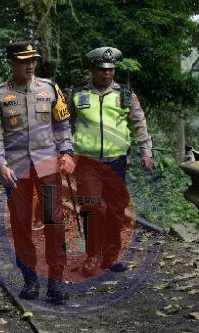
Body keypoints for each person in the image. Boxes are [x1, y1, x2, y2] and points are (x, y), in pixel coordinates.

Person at [0, 40, 75, 305]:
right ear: (11, 63)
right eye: (24, 61)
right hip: (15, 168)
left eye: (33, 60)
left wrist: (67, 152)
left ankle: (56, 281)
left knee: (54, 222)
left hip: (47, 165)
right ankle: (30, 279)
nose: (30, 65)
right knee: (21, 225)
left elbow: (62, 124)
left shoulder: (49, 89)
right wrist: (0, 163)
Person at [68, 47, 153, 276]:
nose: (107, 74)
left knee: (116, 211)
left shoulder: (125, 95)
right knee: (91, 206)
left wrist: (147, 152)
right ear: (93, 69)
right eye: (102, 70)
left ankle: (110, 256)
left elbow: (139, 124)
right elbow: (64, 124)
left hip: (116, 162)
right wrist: (63, 151)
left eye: (111, 70)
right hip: (87, 162)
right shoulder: (77, 93)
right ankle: (92, 255)